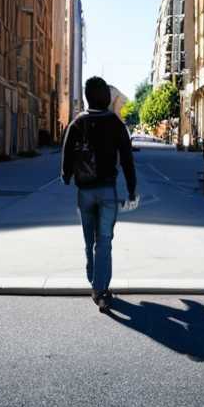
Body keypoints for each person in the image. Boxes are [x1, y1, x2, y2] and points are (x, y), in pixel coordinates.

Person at [61, 77, 139, 313]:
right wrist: (132, 187)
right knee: (104, 241)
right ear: (106, 97)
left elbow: (66, 154)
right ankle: (101, 291)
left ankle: (93, 276)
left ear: (87, 96)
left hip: (84, 192)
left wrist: (66, 176)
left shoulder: (77, 123)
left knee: (89, 240)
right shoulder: (115, 124)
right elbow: (127, 159)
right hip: (107, 191)